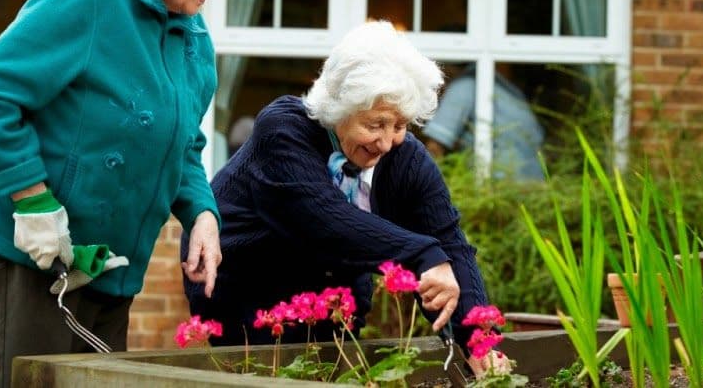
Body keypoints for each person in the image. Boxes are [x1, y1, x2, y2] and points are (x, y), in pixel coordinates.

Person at [0, 0, 257, 388]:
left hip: (110, 265)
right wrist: (32, 201)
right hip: (30, 250)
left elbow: (183, 142)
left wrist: (202, 213)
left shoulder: (192, 35)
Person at [183, 21, 501, 376]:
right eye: (375, 124)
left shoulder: (405, 158)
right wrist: (423, 254)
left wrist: (478, 340)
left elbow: (450, 244)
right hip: (248, 300)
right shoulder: (283, 129)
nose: (386, 142)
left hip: (333, 307)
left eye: (399, 126)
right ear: (339, 107)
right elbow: (321, 220)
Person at [424, 65, 545, 180]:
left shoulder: (462, 86)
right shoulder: (505, 89)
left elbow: (434, 149)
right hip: (534, 184)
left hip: (500, 185)